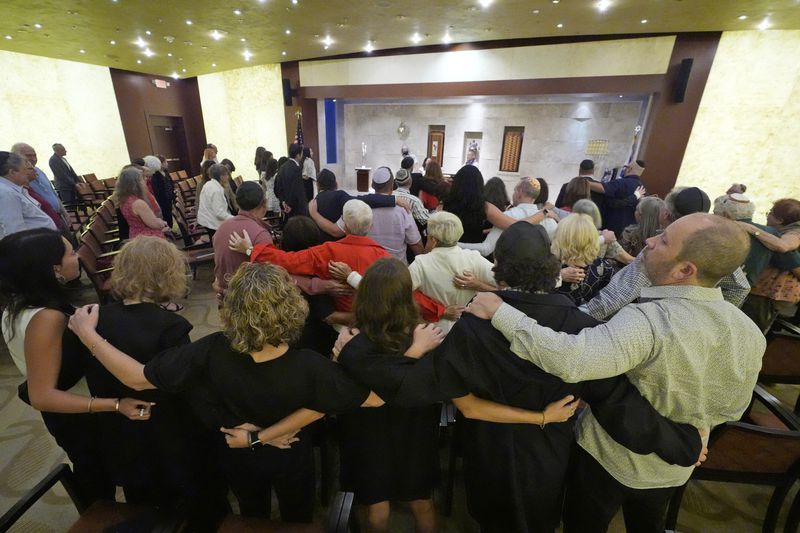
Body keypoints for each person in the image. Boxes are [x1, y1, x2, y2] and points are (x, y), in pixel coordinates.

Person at [335, 223, 704, 533]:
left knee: (490, 518)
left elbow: (414, 385)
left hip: (487, 447)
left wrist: (351, 353)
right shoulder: (580, 324)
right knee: (538, 519)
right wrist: (682, 443)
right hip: (549, 446)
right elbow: (615, 400)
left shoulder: (474, 326)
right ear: (550, 265)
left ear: (498, 266)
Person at [467, 213, 764, 532]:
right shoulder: (749, 331)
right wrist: (698, 432)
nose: (649, 241)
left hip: (607, 461)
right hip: (675, 467)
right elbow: (733, 406)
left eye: (663, 240)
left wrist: (500, 312)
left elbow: (571, 359)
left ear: (685, 270)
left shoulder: (646, 323)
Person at [68, 261, 381, 521]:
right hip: (291, 452)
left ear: (230, 307)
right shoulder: (312, 366)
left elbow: (137, 378)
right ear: (292, 306)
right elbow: (370, 398)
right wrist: (272, 433)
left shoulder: (209, 350)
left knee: (250, 512)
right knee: (298, 514)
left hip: (235, 451)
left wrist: (88, 335)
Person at [0, 228, 152, 506]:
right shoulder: (46, 318)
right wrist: (116, 404)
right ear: (54, 269)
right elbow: (41, 395)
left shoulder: (19, 304)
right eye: (71, 252)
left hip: (73, 406)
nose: (79, 257)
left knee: (97, 470)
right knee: (99, 474)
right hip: (78, 410)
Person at [85, 237, 222, 520]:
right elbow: (180, 384)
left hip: (117, 423)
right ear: (168, 275)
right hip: (167, 428)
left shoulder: (94, 320)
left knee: (143, 503)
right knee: (189, 499)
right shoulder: (170, 326)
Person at [228, 199, 450, 323]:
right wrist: (440, 310)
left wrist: (249, 248)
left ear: (343, 224)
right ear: (370, 227)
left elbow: (286, 260)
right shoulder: (385, 259)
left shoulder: (326, 251)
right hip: (372, 321)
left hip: (337, 323)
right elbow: (406, 294)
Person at [583, 186, 751, 320]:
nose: (652, 241)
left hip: (645, 324)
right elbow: (740, 287)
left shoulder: (658, 250)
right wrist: (708, 318)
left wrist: (578, 318)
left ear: (665, 214)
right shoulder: (717, 248)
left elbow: (618, 295)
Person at [737, 198, 800, 330]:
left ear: (780, 220)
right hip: (768, 292)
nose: (768, 215)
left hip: (770, 293)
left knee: (750, 327)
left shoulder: (795, 232)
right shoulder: (782, 231)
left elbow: (783, 247)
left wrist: (753, 229)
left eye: (770, 213)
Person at [339, 166, 423, 263]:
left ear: (372, 185)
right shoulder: (402, 210)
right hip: (397, 269)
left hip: (367, 269)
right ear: (392, 186)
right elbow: (416, 246)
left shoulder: (361, 207)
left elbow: (340, 231)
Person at [459, 178, 557, 257]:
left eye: (514, 190)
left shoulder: (509, 215)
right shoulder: (549, 220)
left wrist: (456, 245)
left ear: (520, 193)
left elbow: (486, 249)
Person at [212, 181, 273, 299]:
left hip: (225, 297)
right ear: (264, 203)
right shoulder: (261, 234)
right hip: (250, 303)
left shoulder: (221, 228)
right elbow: (269, 277)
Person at [308, 168, 398, 239]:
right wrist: (392, 200)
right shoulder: (339, 196)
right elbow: (363, 200)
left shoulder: (311, 204)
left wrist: (314, 214)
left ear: (318, 185)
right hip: (338, 249)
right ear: (336, 184)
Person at [551, 213, 614, 306]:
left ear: (560, 236)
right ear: (592, 237)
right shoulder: (603, 267)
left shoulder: (547, 264)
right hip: (588, 317)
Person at [0, 151, 58, 239]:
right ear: (12, 172)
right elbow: (15, 232)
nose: (28, 173)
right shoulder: (7, 193)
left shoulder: (13, 189)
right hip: (36, 247)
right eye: (24, 169)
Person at [11, 143, 70, 225]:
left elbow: (52, 193)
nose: (33, 159)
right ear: (16, 156)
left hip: (57, 217)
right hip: (43, 223)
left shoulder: (39, 171)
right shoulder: (16, 179)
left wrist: (64, 212)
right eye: (28, 156)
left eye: (34, 155)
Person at [588, 159, 645, 236]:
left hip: (610, 229)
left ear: (630, 169)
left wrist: (582, 182)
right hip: (628, 232)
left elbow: (602, 188)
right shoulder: (642, 189)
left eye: (626, 167)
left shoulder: (620, 183)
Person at [572, 199, 635, 266]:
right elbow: (629, 260)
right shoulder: (605, 237)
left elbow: (629, 260)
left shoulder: (565, 234)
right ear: (596, 216)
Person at [113, 165, 169, 240]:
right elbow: (154, 224)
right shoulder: (138, 203)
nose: (145, 180)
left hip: (135, 236)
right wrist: (163, 223)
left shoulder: (124, 199)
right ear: (136, 183)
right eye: (142, 178)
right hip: (148, 240)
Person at [196, 163, 234, 235]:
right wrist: (234, 218)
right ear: (221, 177)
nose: (228, 177)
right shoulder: (216, 190)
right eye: (226, 174)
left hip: (206, 220)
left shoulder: (208, 184)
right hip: (211, 223)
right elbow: (219, 213)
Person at [274, 143, 308, 218]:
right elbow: (296, 189)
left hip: (286, 207)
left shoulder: (282, 167)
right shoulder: (296, 169)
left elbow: (277, 187)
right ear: (298, 155)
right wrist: (290, 205)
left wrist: (283, 202)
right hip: (297, 208)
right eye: (301, 153)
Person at [145, 155, 175, 228]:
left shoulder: (165, 172)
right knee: (165, 215)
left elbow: (170, 183)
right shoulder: (155, 176)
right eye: (165, 162)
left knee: (169, 214)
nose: (167, 164)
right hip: (161, 200)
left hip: (168, 198)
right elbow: (156, 191)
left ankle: (170, 229)